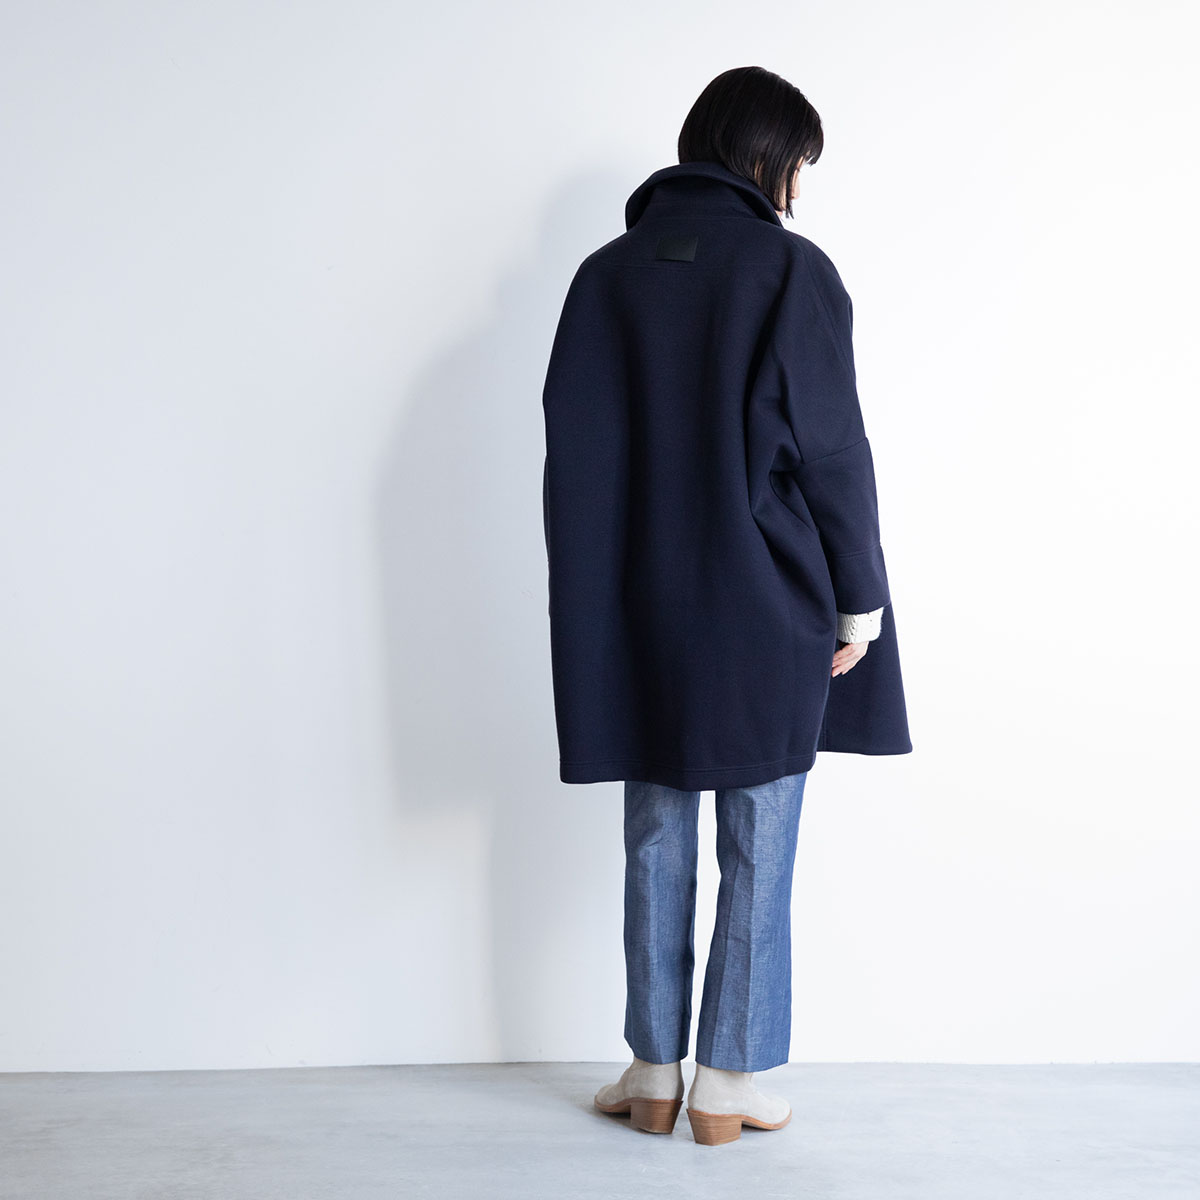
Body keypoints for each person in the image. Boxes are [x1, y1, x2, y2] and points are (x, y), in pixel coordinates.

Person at [541, 65, 912, 1146]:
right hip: (763, 605)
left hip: (634, 606)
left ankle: (652, 1071)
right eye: (799, 164)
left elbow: (575, 456)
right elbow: (831, 450)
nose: (798, 187)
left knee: (655, 831)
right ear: (767, 157)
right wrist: (860, 602)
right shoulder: (789, 270)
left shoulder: (602, 277)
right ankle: (728, 1082)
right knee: (759, 837)